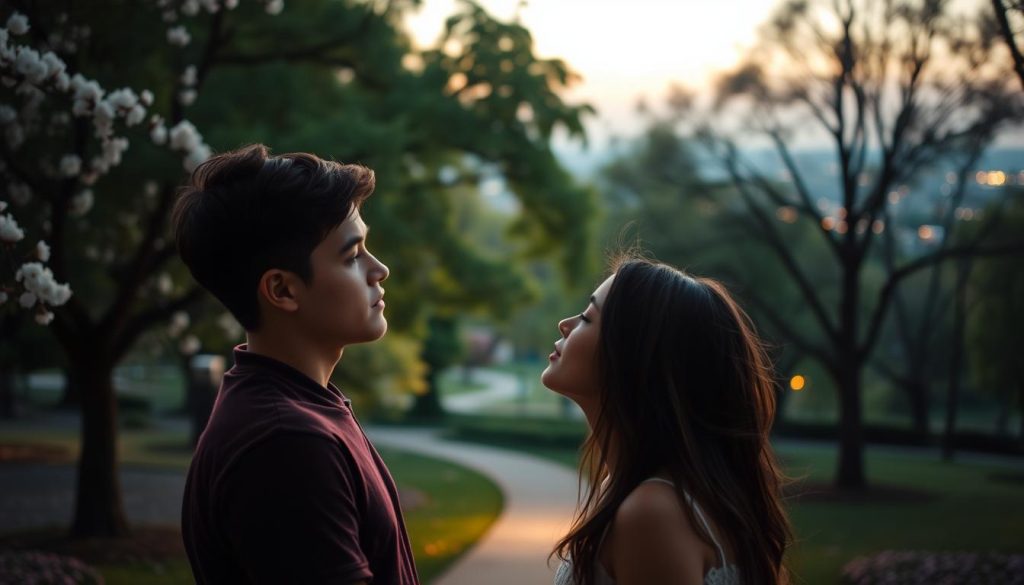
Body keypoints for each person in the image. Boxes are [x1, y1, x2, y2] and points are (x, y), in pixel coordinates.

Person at [173, 144, 419, 585]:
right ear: (283, 290)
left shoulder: (303, 409)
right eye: (352, 255)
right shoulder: (286, 442)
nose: (379, 269)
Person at [543, 258, 792, 585]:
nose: (565, 323)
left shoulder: (651, 512)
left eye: (588, 318)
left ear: (633, 356)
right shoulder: (638, 491)